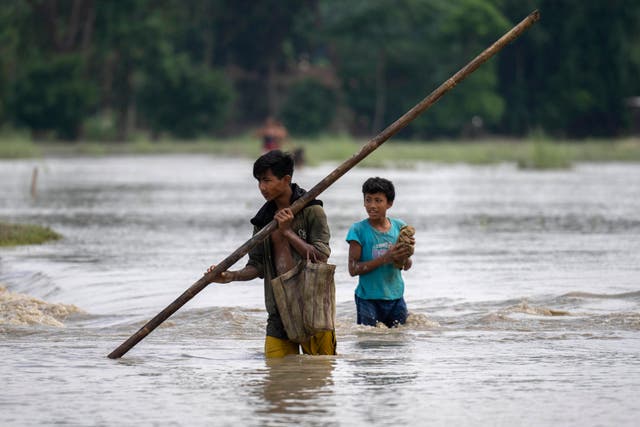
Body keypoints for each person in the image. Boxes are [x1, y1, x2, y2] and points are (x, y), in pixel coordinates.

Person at [207, 150, 336, 357]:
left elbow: (320, 256)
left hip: (313, 305)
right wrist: (230, 276)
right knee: (276, 377)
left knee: (319, 376)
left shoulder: (312, 211)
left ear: (286, 179)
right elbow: (257, 266)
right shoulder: (263, 220)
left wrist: (287, 233)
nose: (262, 188)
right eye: (259, 181)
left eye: (267, 180)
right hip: (278, 308)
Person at [346, 177, 414, 328]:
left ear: (389, 203)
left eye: (378, 200)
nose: (372, 206)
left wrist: (405, 255)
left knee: (398, 342)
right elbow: (353, 269)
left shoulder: (400, 227)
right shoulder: (358, 230)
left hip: (396, 298)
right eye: (368, 200)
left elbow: (406, 266)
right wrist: (385, 258)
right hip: (368, 299)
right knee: (369, 341)